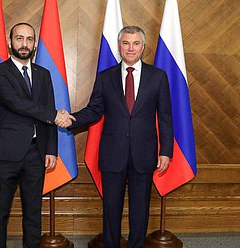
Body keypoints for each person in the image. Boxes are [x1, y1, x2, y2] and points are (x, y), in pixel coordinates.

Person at [66, 26, 174, 248]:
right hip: (112, 154)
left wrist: (166, 151)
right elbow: (95, 110)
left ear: (143, 47)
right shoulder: (106, 77)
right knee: (111, 210)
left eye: (135, 43)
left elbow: (165, 117)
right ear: (119, 46)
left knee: (140, 209)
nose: (130, 48)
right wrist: (71, 119)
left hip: (144, 154)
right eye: (126, 43)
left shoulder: (158, 77)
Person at [0, 22, 74, 248]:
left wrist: (51, 149)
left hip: (36, 153)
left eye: (29, 39)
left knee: (34, 211)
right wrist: (55, 115)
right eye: (19, 38)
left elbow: (48, 107)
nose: (24, 44)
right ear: (9, 42)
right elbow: (17, 104)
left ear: (34, 44)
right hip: (6, 153)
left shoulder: (43, 74)